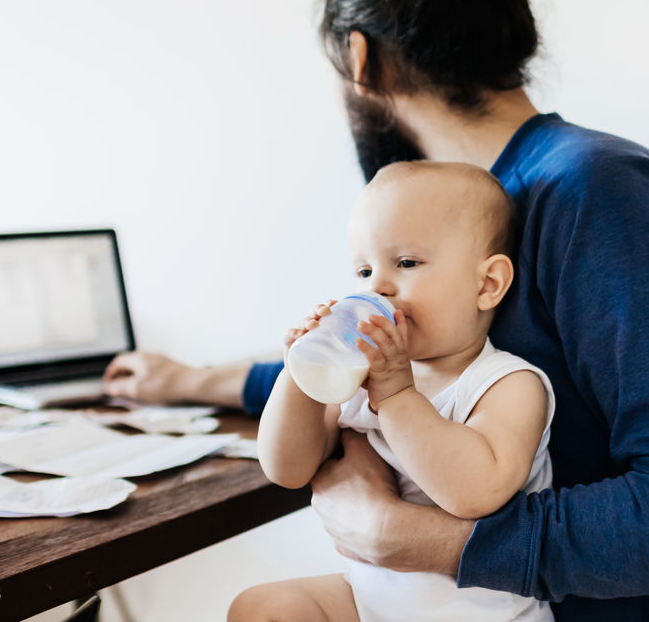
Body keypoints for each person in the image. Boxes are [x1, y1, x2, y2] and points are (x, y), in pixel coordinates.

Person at [105, 0, 649, 621]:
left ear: (362, 60)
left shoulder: (601, 198)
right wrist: (192, 379)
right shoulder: (491, 213)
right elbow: (393, 361)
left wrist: (420, 538)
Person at [230, 162, 555, 622]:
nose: (377, 286)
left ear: (487, 284)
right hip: (372, 603)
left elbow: (475, 493)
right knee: (264, 608)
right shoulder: (359, 378)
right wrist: (300, 375)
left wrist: (399, 395)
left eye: (406, 263)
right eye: (363, 271)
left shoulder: (506, 384)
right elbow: (287, 467)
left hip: (481, 614)